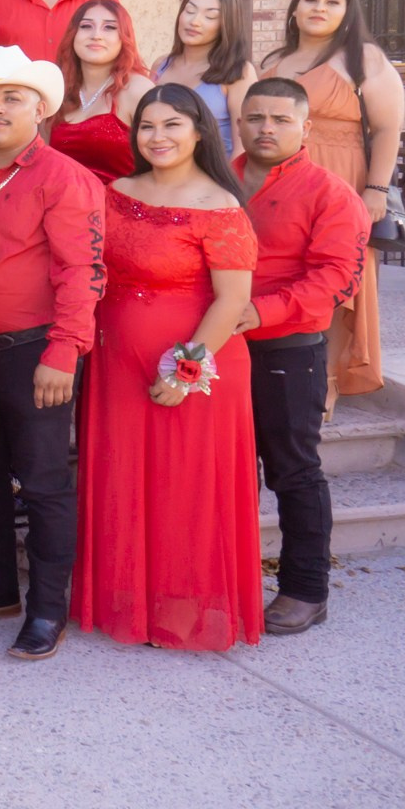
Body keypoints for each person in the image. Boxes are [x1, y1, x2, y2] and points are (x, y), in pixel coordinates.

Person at [74, 84, 261, 651]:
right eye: (147, 126)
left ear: (200, 131)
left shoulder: (220, 205)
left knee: (185, 485)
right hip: (115, 365)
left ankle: (182, 611)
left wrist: (186, 370)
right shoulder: (114, 192)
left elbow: (231, 301)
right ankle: (130, 599)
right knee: (125, 478)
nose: (158, 137)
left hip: (194, 362)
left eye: (172, 125)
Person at [0, 48, 104, 660]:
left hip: (35, 348)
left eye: (12, 98)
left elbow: (82, 270)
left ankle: (47, 608)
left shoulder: (65, 178)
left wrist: (65, 350)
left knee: (42, 482)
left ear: (41, 110)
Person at [234, 78, 370, 635]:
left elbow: (337, 280)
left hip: (288, 349)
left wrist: (260, 311)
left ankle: (305, 588)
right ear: (240, 121)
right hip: (216, 349)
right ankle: (229, 575)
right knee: (227, 469)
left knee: (293, 471)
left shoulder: (331, 194)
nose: (267, 128)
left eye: (281, 119)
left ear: (304, 127)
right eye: (256, 117)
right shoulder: (219, 177)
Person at [257, 0, 402, 401]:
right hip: (281, 181)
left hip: (343, 176)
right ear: (296, 9)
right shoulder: (273, 63)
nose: (320, 8)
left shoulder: (364, 59)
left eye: (332, 2)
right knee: (290, 271)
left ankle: (329, 382)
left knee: (340, 281)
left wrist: (375, 189)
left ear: (346, 12)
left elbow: (389, 127)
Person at [50, 0, 153, 186]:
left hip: (120, 209)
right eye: (86, 26)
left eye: (109, 28)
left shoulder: (138, 90)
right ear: (73, 34)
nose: (96, 35)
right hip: (65, 208)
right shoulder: (58, 89)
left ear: (124, 37)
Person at [154, 0, 257, 156]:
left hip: (215, 177)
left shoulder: (239, 72)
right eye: (190, 11)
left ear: (227, 25)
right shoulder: (161, 65)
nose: (194, 21)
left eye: (210, 16)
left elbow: (242, 149)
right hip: (162, 176)